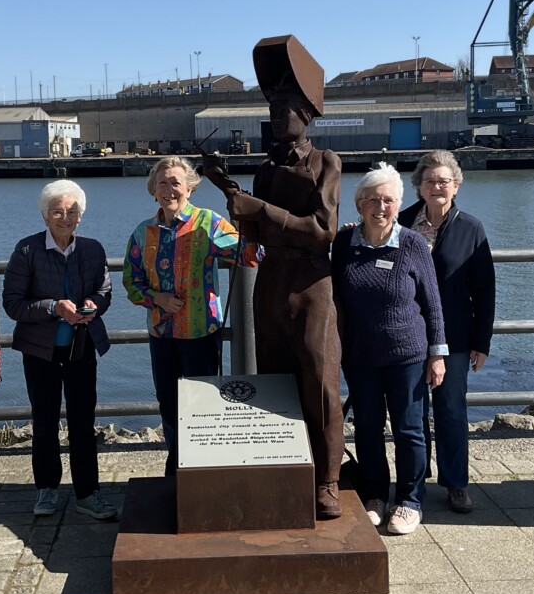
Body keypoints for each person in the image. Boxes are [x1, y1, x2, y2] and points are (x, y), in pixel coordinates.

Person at [202, 35, 344, 520]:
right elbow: (255, 230)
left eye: (285, 108)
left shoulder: (326, 162)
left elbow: (322, 229)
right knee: (273, 378)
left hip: (311, 283)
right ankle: (281, 463)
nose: (276, 115)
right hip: (271, 281)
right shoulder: (264, 170)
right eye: (272, 107)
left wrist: (259, 209)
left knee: (320, 381)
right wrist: (230, 193)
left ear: (306, 112)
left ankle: (327, 478)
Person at [123, 156, 258, 477]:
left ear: (190, 189)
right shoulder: (143, 233)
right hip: (162, 335)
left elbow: (249, 256)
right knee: (169, 404)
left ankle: (203, 471)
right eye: (162, 183)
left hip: (200, 334)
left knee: (202, 406)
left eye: (176, 183)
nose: (169, 189)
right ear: (154, 190)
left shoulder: (207, 222)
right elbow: (131, 281)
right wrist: (157, 298)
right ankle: (177, 468)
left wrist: (249, 222)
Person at [331, 162, 447, 535]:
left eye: (389, 200)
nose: (381, 207)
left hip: (407, 356)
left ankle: (410, 500)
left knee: (409, 429)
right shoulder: (343, 244)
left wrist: (437, 354)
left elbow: (432, 303)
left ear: (398, 204)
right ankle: (376, 496)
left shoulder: (412, 244)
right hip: (360, 356)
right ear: (359, 204)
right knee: (366, 428)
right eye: (373, 200)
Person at [3, 180, 118, 521]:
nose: (65, 218)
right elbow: (13, 304)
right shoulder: (27, 250)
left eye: (72, 211)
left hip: (81, 348)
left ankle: (88, 492)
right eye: (57, 211)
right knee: (44, 421)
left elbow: (105, 290)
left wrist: (93, 304)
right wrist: (54, 307)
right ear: (45, 215)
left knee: (83, 422)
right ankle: (47, 488)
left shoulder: (93, 249)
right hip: (41, 351)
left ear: (81, 216)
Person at [397, 150, 495, 514]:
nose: (436, 187)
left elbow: (484, 289)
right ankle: (414, 484)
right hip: (407, 333)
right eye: (429, 181)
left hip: (454, 336)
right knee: (411, 412)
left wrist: (481, 341)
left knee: (451, 410)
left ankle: (456, 484)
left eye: (444, 181)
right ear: (419, 187)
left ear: (456, 186)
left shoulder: (471, 228)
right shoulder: (401, 222)